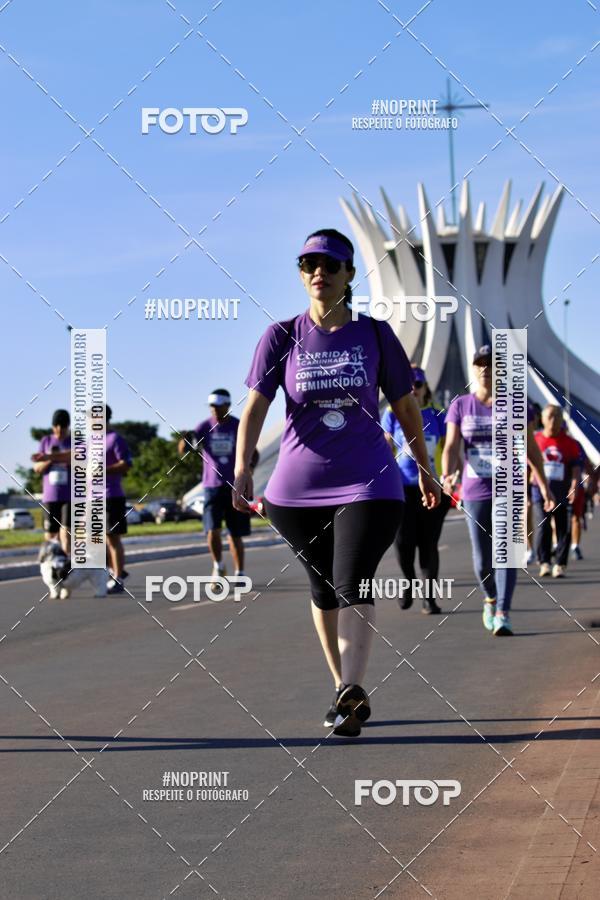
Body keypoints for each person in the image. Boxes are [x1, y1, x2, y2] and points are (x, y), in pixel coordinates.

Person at [232, 228, 440, 737]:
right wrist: (241, 467)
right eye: (307, 264)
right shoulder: (281, 337)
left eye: (328, 263)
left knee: (353, 581)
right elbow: (256, 407)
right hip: (293, 493)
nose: (316, 272)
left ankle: (352, 687)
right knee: (323, 590)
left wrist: (426, 466)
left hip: (370, 483)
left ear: (349, 274)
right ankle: (344, 690)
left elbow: (406, 405)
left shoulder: (373, 334)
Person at [442, 346, 553, 636]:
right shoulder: (461, 405)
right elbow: (453, 446)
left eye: (492, 364)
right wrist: (448, 473)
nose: (486, 369)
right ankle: (490, 597)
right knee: (482, 559)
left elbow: (531, 448)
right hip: (474, 488)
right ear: (474, 369)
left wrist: (543, 484)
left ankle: (503, 611)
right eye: (480, 364)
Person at [382, 365, 450, 614]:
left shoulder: (438, 415)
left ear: (425, 388)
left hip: (432, 487)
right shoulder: (391, 413)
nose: (413, 389)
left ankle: (429, 599)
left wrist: (450, 478)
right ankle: (408, 581)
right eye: (409, 385)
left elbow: (450, 448)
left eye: (418, 385)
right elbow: (386, 444)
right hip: (402, 489)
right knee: (403, 543)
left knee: (429, 544)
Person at [179, 389, 258, 584]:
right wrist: (185, 439)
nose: (213, 410)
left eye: (217, 406)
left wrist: (249, 469)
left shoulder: (236, 425)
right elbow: (184, 451)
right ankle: (218, 566)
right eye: (211, 406)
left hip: (234, 485)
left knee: (235, 533)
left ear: (227, 406)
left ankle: (239, 572)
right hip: (211, 486)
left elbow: (253, 452)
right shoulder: (204, 426)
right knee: (212, 530)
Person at [532, 405, 581, 578]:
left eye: (557, 417)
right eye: (550, 417)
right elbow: (526, 467)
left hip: (562, 492)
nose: (554, 421)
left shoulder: (569, 443)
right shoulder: (535, 440)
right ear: (542, 419)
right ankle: (544, 562)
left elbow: (575, 468)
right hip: (539, 491)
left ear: (562, 420)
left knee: (563, 529)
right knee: (543, 526)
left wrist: (574, 485)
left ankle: (560, 564)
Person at [31, 409, 72, 554]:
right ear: (53, 426)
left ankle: (67, 565)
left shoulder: (74, 442)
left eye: (63, 426)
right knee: (50, 535)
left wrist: (55, 457)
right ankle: (52, 564)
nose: (59, 430)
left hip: (69, 496)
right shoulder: (46, 441)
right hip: (50, 496)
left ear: (68, 426)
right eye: (56, 426)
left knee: (66, 532)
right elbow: (37, 467)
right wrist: (51, 459)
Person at [105, 406, 133, 594]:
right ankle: (115, 569)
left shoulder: (115, 439)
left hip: (112, 495)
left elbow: (126, 464)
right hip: (93, 497)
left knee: (113, 538)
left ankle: (118, 577)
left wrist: (103, 470)